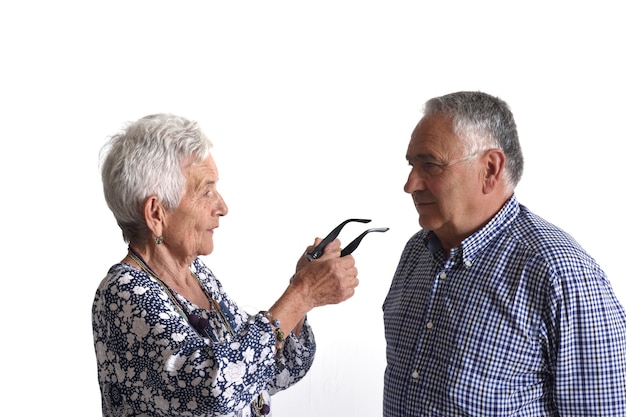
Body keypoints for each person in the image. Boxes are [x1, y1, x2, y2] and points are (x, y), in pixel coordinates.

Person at [92, 113, 359, 417]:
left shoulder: (198, 276)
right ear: (156, 213)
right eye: (206, 191)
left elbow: (267, 373)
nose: (222, 207)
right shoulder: (125, 293)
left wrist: (302, 292)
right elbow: (214, 390)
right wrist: (301, 294)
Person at [382, 91, 626, 416]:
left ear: (490, 169)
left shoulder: (560, 273)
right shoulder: (417, 251)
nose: (410, 185)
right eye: (413, 165)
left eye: (431, 165)